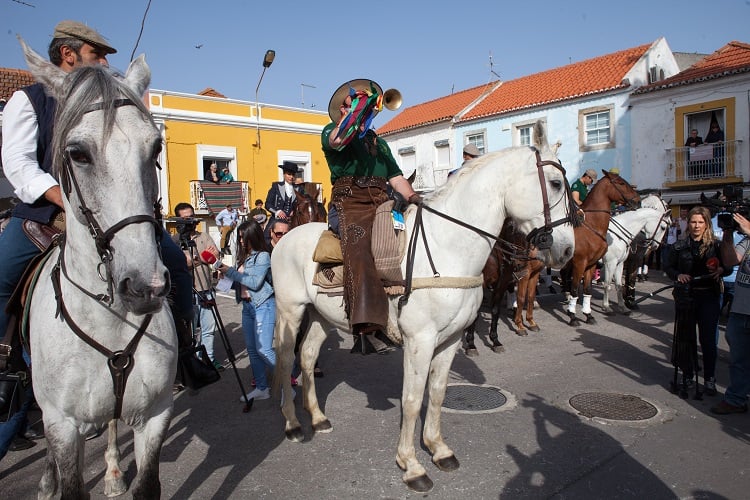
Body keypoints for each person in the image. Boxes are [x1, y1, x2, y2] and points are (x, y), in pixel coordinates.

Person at [0, 20, 119, 459]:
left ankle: (187, 357)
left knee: (172, 265)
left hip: (105, 218)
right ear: (68, 54)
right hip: (44, 216)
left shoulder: (106, 100)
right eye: (97, 54)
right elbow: (18, 163)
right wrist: (61, 198)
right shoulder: (28, 99)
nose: (105, 62)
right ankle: (5, 367)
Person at [322, 79, 419, 355]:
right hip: (349, 203)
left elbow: (396, 177)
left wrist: (414, 199)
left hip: (381, 201)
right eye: (351, 104)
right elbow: (338, 140)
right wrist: (355, 112)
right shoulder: (332, 130)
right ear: (344, 108)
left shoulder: (379, 143)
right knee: (362, 245)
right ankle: (367, 328)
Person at [664, 206, 731, 395]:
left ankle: (709, 378)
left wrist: (720, 271)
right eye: (693, 221)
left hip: (709, 296)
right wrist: (678, 275)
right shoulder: (679, 245)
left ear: (707, 224)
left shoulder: (716, 246)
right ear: (688, 223)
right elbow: (668, 267)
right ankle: (688, 374)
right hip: (686, 297)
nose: (696, 226)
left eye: (700, 222)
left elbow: (727, 266)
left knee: (708, 340)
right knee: (687, 339)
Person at [217, 220, 276, 401]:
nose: (241, 241)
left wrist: (231, 272)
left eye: (244, 237)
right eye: (240, 237)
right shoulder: (244, 257)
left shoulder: (263, 256)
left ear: (253, 236)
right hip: (247, 307)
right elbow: (238, 282)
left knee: (264, 350)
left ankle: (287, 385)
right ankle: (261, 388)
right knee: (252, 351)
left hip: (263, 305)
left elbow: (254, 283)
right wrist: (225, 275)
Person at [173, 202, 223, 371]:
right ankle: (192, 364)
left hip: (207, 289)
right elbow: (180, 264)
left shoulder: (204, 236)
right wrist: (203, 257)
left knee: (209, 329)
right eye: (186, 218)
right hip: (187, 293)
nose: (191, 222)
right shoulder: (174, 241)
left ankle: (208, 359)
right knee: (190, 332)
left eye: (192, 217)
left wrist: (194, 259)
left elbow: (215, 257)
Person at [711, 213, 750, 414]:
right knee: (738, 358)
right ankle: (736, 399)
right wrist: (727, 233)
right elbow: (729, 260)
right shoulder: (747, 240)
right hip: (741, 308)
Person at [264, 161, 302, 244]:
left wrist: (295, 211)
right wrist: (277, 211)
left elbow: (302, 204)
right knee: (266, 236)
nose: (291, 177)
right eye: (289, 174)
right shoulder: (276, 186)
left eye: (293, 175)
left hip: (292, 219)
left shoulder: (299, 189)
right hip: (277, 219)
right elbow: (267, 204)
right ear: (284, 174)